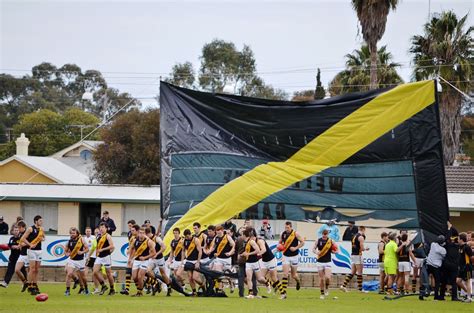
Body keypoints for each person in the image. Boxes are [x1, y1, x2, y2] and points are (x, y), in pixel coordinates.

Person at [279, 221, 305, 299]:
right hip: (285, 256)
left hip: (294, 256)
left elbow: (302, 242)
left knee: (294, 275)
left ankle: (298, 281)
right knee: (285, 274)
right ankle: (284, 293)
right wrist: (280, 247)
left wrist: (295, 248)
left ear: (291, 227)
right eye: (285, 227)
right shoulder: (282, 234)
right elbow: (280, 242)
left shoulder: (295, 234)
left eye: (288, 227)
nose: (286, 229)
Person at [240, 228, 268, 299]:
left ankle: (267, 282)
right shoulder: (244, 242)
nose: (241, 236)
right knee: (249, 278)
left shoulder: (251, 241)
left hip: (255, 262)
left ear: (244, 235)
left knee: (259, 278)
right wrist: (242, 254)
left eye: (242, 235)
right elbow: (246, 251)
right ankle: (250, 294)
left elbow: (258, 250)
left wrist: (248, 254)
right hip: (248, 263)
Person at [20, 215, 45, 295]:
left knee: (37, 270)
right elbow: (23, 238)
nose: (41, 222)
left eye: (42, 220)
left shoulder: (42, 229)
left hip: (39, 250)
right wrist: (30, 244)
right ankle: (30, 286)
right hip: (32, 251)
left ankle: (35, 285)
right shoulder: (30, 228)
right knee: (32, 269)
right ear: (36, 221)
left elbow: (44, 238)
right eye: (40, 221)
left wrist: (42, 239)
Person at [340, 226, 369, 293]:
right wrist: (366, 249)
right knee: (360, 272)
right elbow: (362, 248)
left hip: (353, 255)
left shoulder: (354, 236)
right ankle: (360, 289)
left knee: (353, 272)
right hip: (358, 255)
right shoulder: (361, 237)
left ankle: (343, 286)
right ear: (363, 229)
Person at [129, 226, 155, 297]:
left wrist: (145, 257)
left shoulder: (148, 242)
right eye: (140, 233)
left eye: (143, 233)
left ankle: (139, 292)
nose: (141, 234)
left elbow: (153, 253)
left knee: (140, 277)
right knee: (134, 277)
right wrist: (130, 259)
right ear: (138, 233)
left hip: (144, 261)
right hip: (136, 261)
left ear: (145, 234)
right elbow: (132, 249)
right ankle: (154, 282)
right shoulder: (135, 240)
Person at [146, 227, 172, 296]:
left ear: (148, 233)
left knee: (163, 274)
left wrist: (156, 254)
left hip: (159, 259)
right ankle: (156, 283)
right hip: (152, 259)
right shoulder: (147, 239)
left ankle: (169, 287)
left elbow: (164, 247)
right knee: (148, 271)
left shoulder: (157, 238)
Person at [64, 227, 89, 296]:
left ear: (77, 233)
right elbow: (65, 251)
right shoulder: (69, 241)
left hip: (80, 261)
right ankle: (67, 290)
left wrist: (82, 252)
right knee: (69, 273)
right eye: (71, 233)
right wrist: (67, 254)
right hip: (72, 260)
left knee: (83, 277)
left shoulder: (81, 240)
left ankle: (86, 289)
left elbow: (87, 249)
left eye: (73, 233)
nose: (72, 234)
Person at [313, 229, 337, 299]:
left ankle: (327, 287)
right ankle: (322, 293)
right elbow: (313, 249)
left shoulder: (331, 241)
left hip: (328, 261)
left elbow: (337, 249)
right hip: (320, 261)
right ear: (322, 234)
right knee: (321, 279)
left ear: (327, 234)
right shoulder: (318, 240)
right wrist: (316, 252)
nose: (324, 235)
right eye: (324, 234)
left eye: (326, 234)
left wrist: (334, 252)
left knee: (327, 277)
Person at [93, 222, 116, 295]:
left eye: (103, 227)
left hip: (106, 257)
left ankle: (112, 289)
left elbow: (112, 246)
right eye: (101, 227)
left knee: (108, 274)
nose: (101, 229)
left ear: (106, 228)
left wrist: (103, 250)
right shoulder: (98, 236)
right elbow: (97, 246)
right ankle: (103, 285)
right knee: (95, 272)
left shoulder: (108, 236)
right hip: (99, 257)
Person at [182, 228, 205, 295]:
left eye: (188, 236)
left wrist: (198, 262)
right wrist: (182, 260)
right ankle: (194, 291)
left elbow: (200, 251)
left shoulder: (196, 240)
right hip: (188, 260)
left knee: (195, 277)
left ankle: (202, 284)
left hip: (195, 261)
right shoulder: (184, 241)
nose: (187, 238)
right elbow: (183, 251)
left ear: (190, 234)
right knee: (190, 278)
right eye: (186, 237)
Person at [439, 236, 460, 301]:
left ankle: (441, 296)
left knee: (443, 282)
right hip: (454, 266)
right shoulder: (458, 247)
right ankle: (454, 297)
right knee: (454, 282)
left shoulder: (448, 245)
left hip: (446, 265)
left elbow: (446, 241)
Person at [426, 235, 446, 300]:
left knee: (425, 279)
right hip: (436, 267)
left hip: (428, 264)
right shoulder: (443, 250)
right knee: (437, 281)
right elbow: (443, 257)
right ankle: (436, 296)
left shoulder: (433, 244)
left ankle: (423, 293)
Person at [120, 222, 138, 295]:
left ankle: (154, 283)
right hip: (133, 256)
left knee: (139, 276)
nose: (130, 229)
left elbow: (135, 249)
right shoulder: (131, 236)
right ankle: (127, 289)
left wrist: (131, 258)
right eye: (129, 227)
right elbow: (131, 247)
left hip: (138, 257)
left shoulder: (139, 238)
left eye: (132, 229)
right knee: (129, 271)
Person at [457, 232, 472, 303]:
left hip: (467, 267)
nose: (457, 240)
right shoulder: (460, 247)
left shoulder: (467, 247)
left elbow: (471, 257)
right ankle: (468, 294)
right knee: (458, 281)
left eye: (458, 239)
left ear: (461, 240)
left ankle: (469, 297)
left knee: (467, 281)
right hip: (461, 267)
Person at [14, 221, 29, 292]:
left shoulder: (28, 233)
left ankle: (32, 286)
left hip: (29, 254)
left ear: (22, 227)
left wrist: (23, 244)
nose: (18, 230)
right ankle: (25, 282)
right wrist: (19, 246)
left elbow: (31, 243)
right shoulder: (20, 235)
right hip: (22, 254)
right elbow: (21, 243)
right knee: (17, 270)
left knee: (30, 271)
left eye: (19, 228)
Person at [83, 227, 98, 293]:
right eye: (87, 231)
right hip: (87, 257)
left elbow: (96, 247)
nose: (88, 232)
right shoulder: (83, 239)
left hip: (94, 257)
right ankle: (85, 288)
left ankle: (96, 288)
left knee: (94, 274)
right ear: (85, 232)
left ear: (91, 232)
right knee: (84, 273)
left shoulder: (94, 238)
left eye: (89, 231)